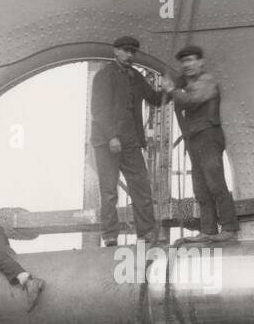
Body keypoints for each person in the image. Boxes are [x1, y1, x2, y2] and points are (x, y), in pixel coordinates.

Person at [89, 36, 169, 247]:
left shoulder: (135, 76)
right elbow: (99, 110)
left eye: (133, 51)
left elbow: (152, 98)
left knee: (141, 187)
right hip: (107, 142)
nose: (130, 55)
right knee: (109, 190)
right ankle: (110, 235)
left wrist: (167, 91)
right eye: (125, 50)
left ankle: (146, 233)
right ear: (115, 51)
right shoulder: (103, 76)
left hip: (131, 141)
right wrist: (112, 136)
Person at [167, 45, 239, 244]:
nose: (187, 65)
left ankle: (229, 228)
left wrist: (172, 89)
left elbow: (192, 100)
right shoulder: (186, 84)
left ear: (201, 62)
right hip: (194, 138)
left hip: (208, 136)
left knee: (215, 182)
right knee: (200, 187)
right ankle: (207, 229)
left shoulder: (207, 81)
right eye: (184, 62)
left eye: (191, 60)